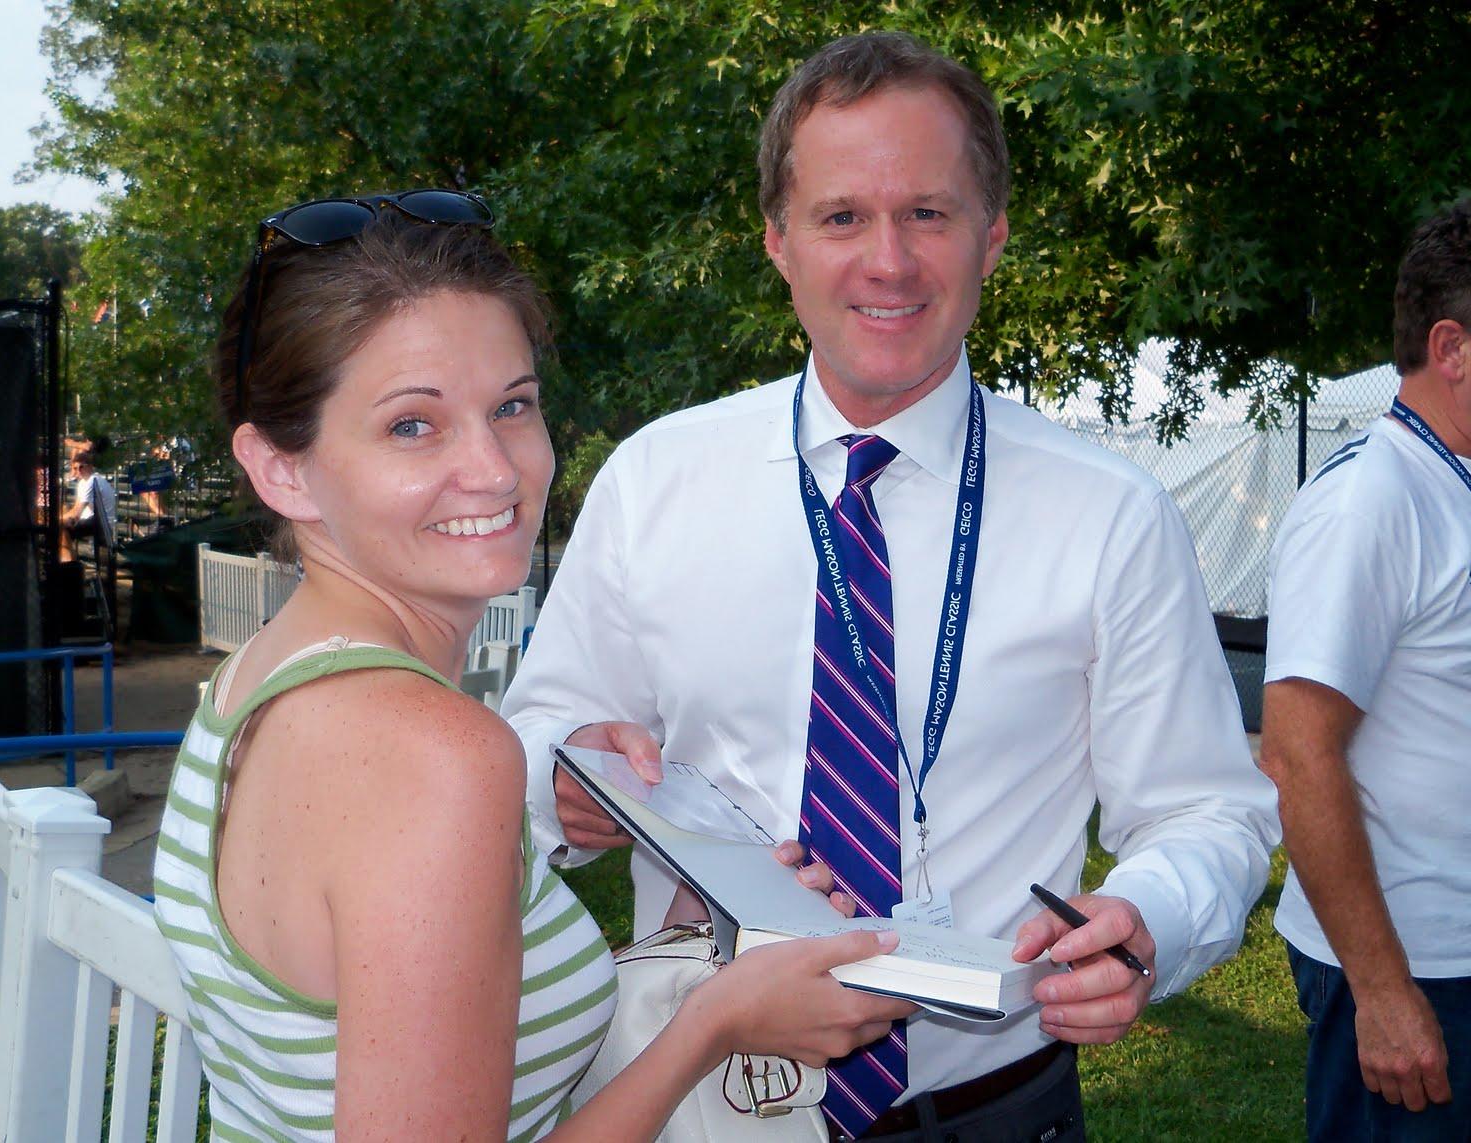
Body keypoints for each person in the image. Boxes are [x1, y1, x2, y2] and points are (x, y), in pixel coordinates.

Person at [503, 31, 1278, 1142]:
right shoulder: (655, 482)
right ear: (777, 241)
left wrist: (1147, 921)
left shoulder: (1108, 515)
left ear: (991, 236)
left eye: (928, 212)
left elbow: (1210, 808)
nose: (888, 260)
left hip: (991, 1108)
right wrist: (568, 784)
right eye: (840, 217)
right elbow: (534, 740)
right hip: (710, 1098)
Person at [151, 190, 911, 1141]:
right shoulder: (434, 752)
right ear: (282, 470)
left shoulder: (255, 678)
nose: (496, 469)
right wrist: (714, 1023)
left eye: (511, 405)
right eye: (412, 425)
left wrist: (692, 878)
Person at [1260, 198, 1471, 1142]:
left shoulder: (1450, 488)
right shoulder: (1370, 502)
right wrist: (1384, 994)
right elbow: (1300, 754)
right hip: (1412, 973)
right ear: (1453, 349)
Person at [59, 450, 116, 559]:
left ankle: (68, 564)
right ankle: (69, 561)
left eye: (82, 467)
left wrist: (57, 520)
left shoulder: (92, 481)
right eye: (75, 468)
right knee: (63, 516)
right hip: (94, 519)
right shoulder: (83, 482)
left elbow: (76, 514)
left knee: (60, 530)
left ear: (90, 467)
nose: (78, 471)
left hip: (102, 523)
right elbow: (76, 508)